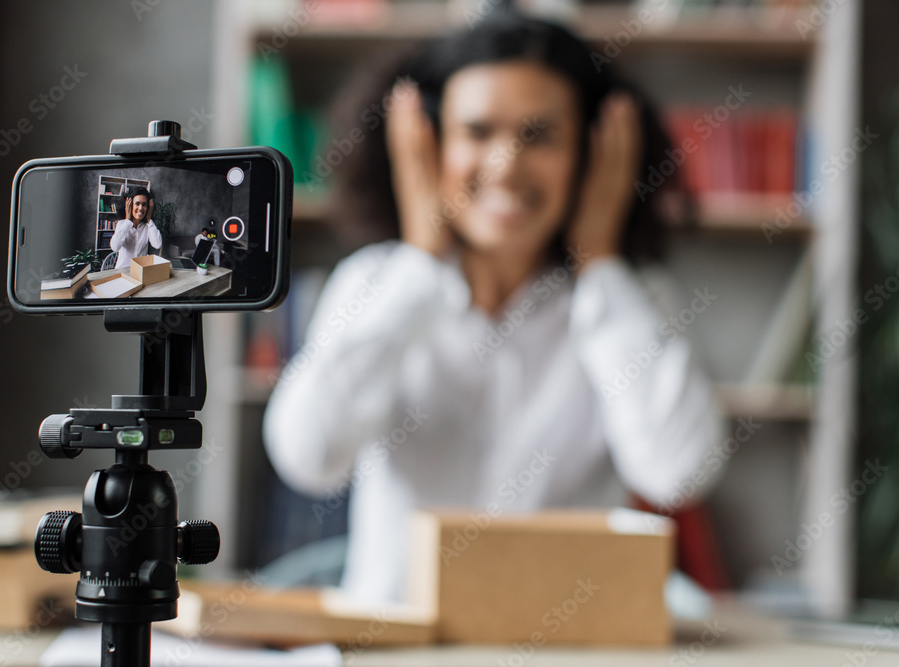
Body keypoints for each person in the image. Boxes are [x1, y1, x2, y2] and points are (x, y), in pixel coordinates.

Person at [263, 12, 724, 605]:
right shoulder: (374, 283)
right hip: (395, 649)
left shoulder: (635, 299)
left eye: (540, 135)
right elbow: (308, 456)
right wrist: (422, 262)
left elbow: (678, 471)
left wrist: (601, 265)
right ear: (429, 144)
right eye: (478, 132)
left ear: (590, 153)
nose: (506, 164)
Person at [109, 186, 161, 270]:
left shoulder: (148, 226)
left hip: (140, 272)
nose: (140, 208)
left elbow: (157, 244)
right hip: (122, 272)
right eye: (137, 203)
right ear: (130, 205)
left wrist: (148, 219)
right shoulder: (122, 224)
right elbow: (115, 247)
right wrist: (128, 220)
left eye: (144, 205)